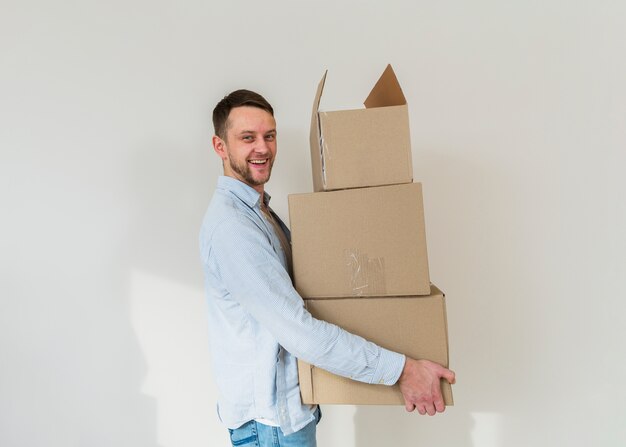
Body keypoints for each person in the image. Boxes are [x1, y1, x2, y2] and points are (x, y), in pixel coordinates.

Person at [199, 89, 456, 446]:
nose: (262, 148)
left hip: (287, 416)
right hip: (271, 427)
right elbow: (299, 332)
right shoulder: (233, 230)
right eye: (247, 138)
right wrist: (402, 369)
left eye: (269, 136)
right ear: (220, 146)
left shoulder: (260, 213)